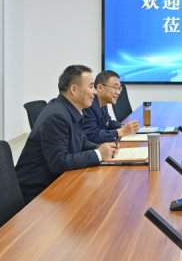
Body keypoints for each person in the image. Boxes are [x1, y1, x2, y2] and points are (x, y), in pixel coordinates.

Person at [16, 65, 118, 203]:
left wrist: (102, 147)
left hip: (55, 183)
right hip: (37, 194)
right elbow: (59, 163)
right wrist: (99, 154)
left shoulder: (70, 109)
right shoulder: (57, 116)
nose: (94, 92)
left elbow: (82, 141)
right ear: (74, 90)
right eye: (91, 86)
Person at [82, 70, 139, 143]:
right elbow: (92, 136)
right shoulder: (88, 105)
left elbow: (107, 123)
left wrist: (122, 126)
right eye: (115, 87)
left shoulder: (103, 103)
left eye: (119, 88)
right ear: (100, 88)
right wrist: (121, 131)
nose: (118, 93)